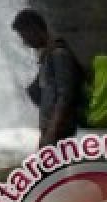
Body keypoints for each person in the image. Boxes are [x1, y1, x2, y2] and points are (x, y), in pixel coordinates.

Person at [11, 9, 83, 147]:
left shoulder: (59, 53)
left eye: (24, 36)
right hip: (52, 130)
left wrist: (52, 130)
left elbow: (66, 95)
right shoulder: (48, 55)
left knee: (52, 168)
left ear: (34, 29)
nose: (25, 42)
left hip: (58, 131)